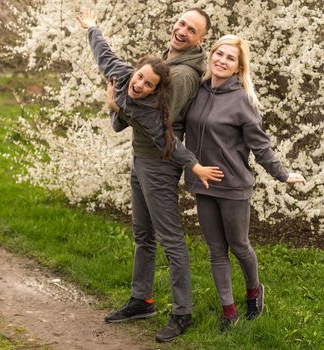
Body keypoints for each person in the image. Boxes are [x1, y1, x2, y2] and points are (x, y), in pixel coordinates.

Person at [77, 8, 220, 342]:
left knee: (170, 240)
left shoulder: (182, 76)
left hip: (160, 163)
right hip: (142, 159)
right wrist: (92, 28)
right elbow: (109, 62)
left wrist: (118, 107)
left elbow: (160, 126)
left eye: (192, 29)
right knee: (143, 235)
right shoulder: (162, 64)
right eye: (181, 23)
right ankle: (143, 300)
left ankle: (182, 312)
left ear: (201, 40)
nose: (182, 30)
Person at [184, 34, 306, 331]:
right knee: (215, 250)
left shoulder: (242, 100)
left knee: (238, 245)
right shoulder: (197, 91)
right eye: (219, 54)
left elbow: (259, 145)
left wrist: (283, 174)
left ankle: (254, 292)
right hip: (203, 184)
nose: (222, 61)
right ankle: (229, 312)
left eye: (230, 58)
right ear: (211, 56)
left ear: (239, 67)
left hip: (234, 186)